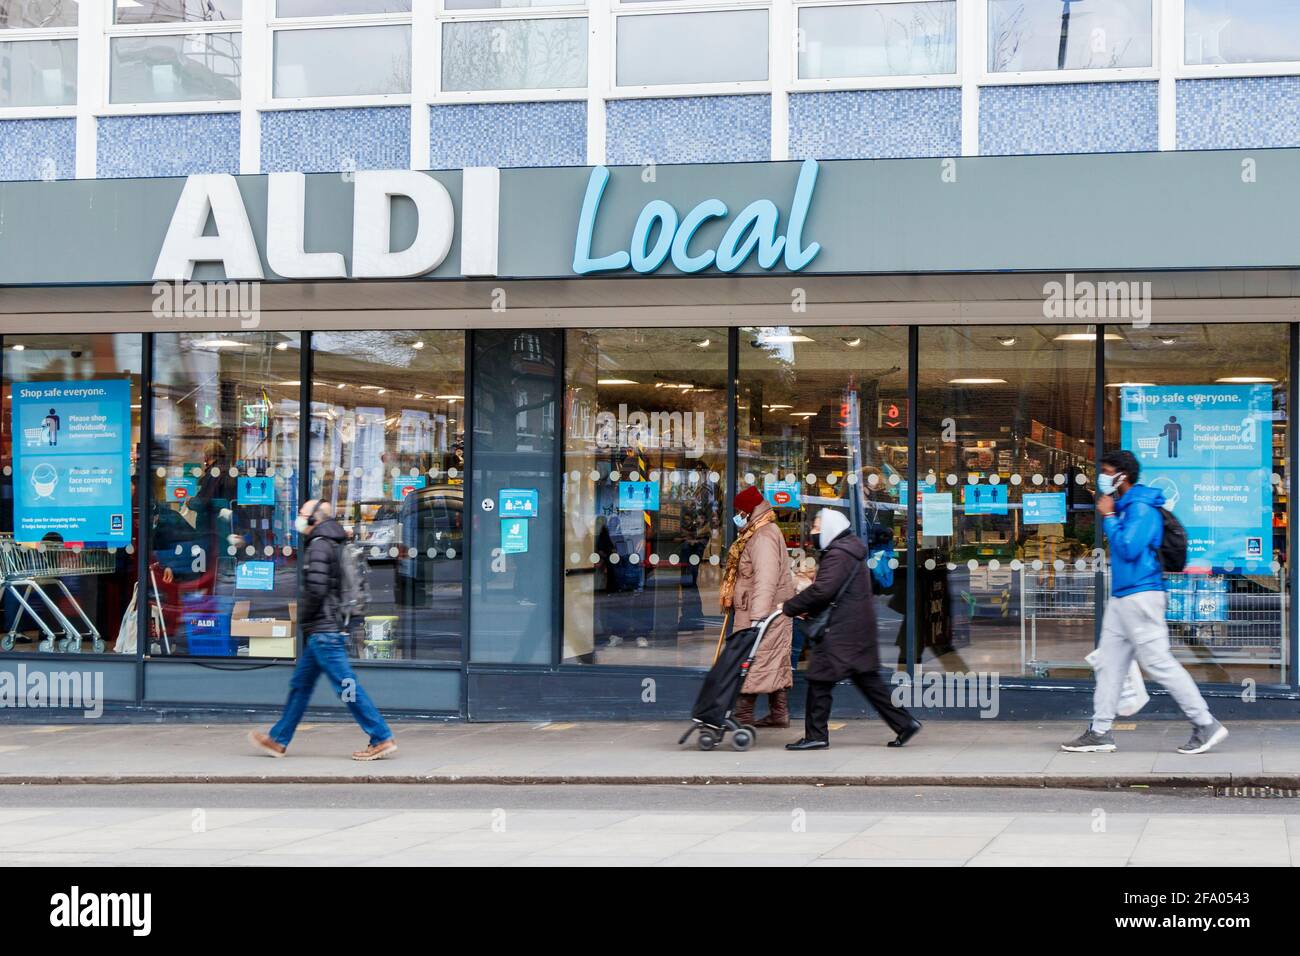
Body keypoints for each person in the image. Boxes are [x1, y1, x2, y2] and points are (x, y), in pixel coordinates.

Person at [1062, 449, 1228, 755]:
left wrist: (1109, 516)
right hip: (1124, 597)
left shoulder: (1140, 508)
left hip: (1141, 595)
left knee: (1159, 663)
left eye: (1107, 471)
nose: (1103, 478)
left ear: (1122, 477)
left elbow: (1129, 548)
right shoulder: (1128, 506)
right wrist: (1114, 514)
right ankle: (1099, 732)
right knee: (1110, 664)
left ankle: (1206, 723)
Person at [249, 499, 397, 761]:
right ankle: (278, 739)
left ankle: (381, 736)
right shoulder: (333, 541)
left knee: (346, 686)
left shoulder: (319, 545)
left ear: (315, 518)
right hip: (325, 629)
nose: (299, 518)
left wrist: (303, 618)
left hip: (324, 630)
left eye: (303, 514)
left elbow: (316, 589)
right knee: (300, 686)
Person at [783, 508, 921, 750]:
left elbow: (823, 590)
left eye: (817, 527)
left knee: (819, 679)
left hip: (841, 630)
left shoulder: (838, 554)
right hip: (856, 627)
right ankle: (905, 723)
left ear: (829, 529)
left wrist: (789, 607)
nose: (813, 532)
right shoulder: (848, 549)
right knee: (869, 681)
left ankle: (816, 735)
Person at [720, 485, 795, 728]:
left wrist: (759, 618)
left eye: (740, 511)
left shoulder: (763, 536)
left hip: (764, 612)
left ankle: (742, 716)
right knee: (769, 661)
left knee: (752, 663)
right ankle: (778, 713)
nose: (737, 516)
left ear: (748, 510)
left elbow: (766, 578)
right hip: (763, 610)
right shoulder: (757, 532)